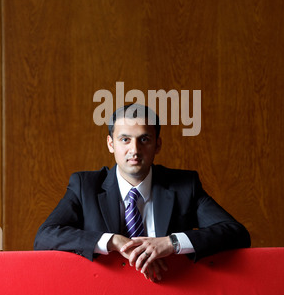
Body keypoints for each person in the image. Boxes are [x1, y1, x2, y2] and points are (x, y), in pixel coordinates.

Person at [34, 103, 250, 282]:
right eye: (125, 139)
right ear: (111, 144)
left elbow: (236, 233)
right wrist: (113, 241)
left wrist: (172, 243)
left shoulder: (184, 186)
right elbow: (44, 238)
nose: (135, 150)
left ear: (157, 145)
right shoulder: (85, 186)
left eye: (144, 140)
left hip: (171, 294)